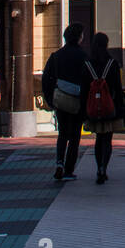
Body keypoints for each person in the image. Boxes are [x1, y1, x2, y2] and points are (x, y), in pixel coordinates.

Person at [41, 23, 89, 181]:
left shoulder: (56, 56)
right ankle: (69, 169)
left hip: (60, 100)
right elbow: (89, 80)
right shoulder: (84, 57)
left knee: (62, 134)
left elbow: (46, 79)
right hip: (78, 101)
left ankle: (59, 163)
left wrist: (50, 99)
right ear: (79, 37)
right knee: (75, 136)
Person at [84, 32, 125, 184]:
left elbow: (83, 89)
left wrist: (84, 110)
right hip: (109, 106)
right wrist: (120, 108)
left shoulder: (88, 64)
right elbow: (118, 88)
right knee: (107, 139)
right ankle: (103, 168)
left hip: (93, 107)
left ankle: (98, 167)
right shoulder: (112, 63)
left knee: (98, 139)